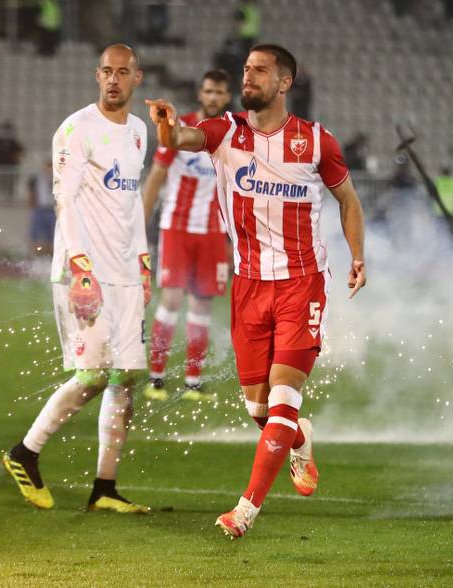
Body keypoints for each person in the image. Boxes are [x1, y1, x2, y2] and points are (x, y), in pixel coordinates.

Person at [146, 43, 366, 537]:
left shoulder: (315, 142)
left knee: (284, 399)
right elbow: (182, 136)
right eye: (246, 69)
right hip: (248, 287)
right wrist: (165, 126)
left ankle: (245, 509)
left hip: (301, 284)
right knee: (260, 411)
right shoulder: (227, 131)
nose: (249, 77)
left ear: (284, 83)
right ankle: (298, 437)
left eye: (260, 71)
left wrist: (357, 256)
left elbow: (348, 200)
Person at [2, 44, 151, 514]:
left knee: (124, 377)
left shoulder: (139, 132)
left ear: (136, 79)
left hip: (126, 271)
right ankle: (25, 452)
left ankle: (104, 487)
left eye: (122, 72)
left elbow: (131, 206)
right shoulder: (76, 128)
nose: (113, 79)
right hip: (85, 271)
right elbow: (64, 201)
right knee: (92, 375)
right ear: (96, 75)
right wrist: (81, 268)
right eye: (106, 71)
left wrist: (144, 261)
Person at [141, 69, 232, 402]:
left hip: (213, 232)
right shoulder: (179, 130)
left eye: (219, 93)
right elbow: (155, 177)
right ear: (200, 93)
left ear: (227, 97)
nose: (212, 97)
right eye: (208, 91)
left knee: (202, 305)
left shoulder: (232, 134)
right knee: (173, 301)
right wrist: (140, 223)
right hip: (176, 227)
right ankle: (156, 378)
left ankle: (193, 382)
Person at [27, 160, 55, 255]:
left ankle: (49, 254)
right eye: (47, 167)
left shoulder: (57, 180)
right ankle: (35, 254)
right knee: (35, 233)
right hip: (40, 209)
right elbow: (32, 193)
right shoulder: (37, 179)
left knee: (51, 235)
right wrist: (32, 205)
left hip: (52, 210)